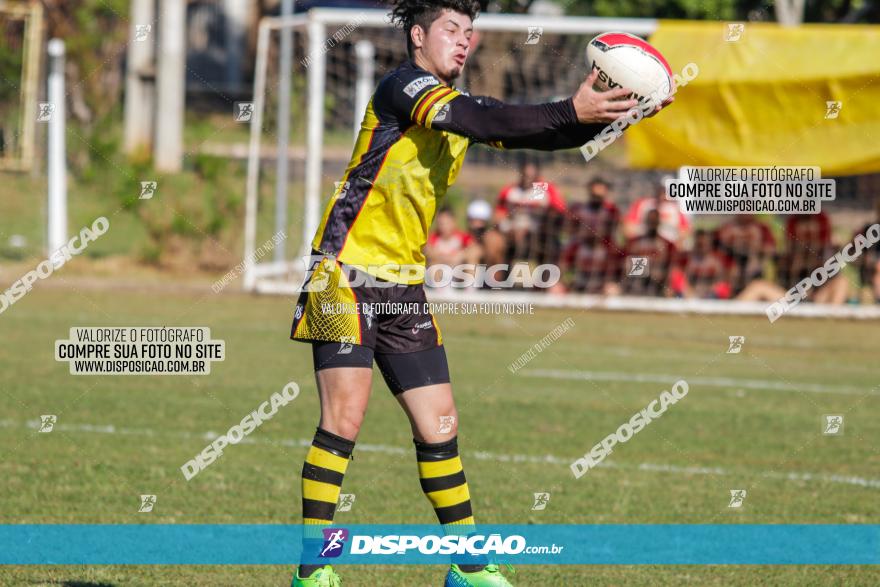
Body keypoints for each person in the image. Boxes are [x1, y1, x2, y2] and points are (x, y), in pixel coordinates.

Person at [287, 0, 671, 584]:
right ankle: (316, 570)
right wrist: (574, 106)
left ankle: (468, 568)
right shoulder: (403, 87)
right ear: (418, 35)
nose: (464, 41)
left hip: (403, 282)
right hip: (344, 271)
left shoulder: (463, 109)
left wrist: (616, 113)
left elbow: (537, 134)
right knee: (344, 416)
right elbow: (492, 123)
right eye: (451, 29)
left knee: (439, 424)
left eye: (470, 32)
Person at [622, 180, 692, 248]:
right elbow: (628, 227)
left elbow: (685, 230)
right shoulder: (643, 205)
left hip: (667, 248)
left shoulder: (675, 209)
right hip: (643, 247)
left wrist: (674, 246)